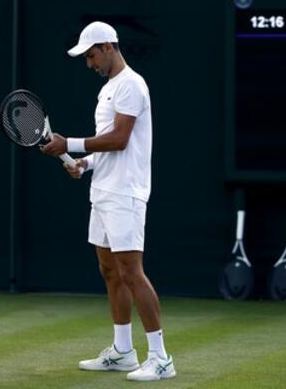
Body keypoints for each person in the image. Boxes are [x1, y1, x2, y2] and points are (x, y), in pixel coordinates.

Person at [40, 21, 176, 382]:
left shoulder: (132, 84)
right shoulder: (108, 90)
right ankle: (123, 352)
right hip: (102, 189)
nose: (89, 63)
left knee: (132, 271)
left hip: (125, 193)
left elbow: (119, 139)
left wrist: (68, 144)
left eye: (91, 55)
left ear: (108, 47)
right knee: (109, 270)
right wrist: (84, 164)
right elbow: (105, 145)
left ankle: (161, 358)